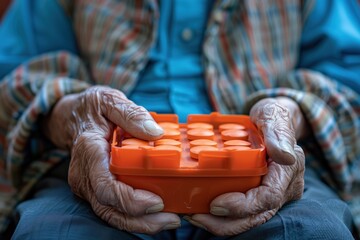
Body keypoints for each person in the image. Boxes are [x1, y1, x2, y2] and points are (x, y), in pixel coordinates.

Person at [0, 0, 359, 239]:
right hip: (93, 165)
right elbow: (15, 72)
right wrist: (73, 112)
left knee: (310, 233)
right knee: (53, 233)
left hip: (267, 168)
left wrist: (289, 114)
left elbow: (348, 72)